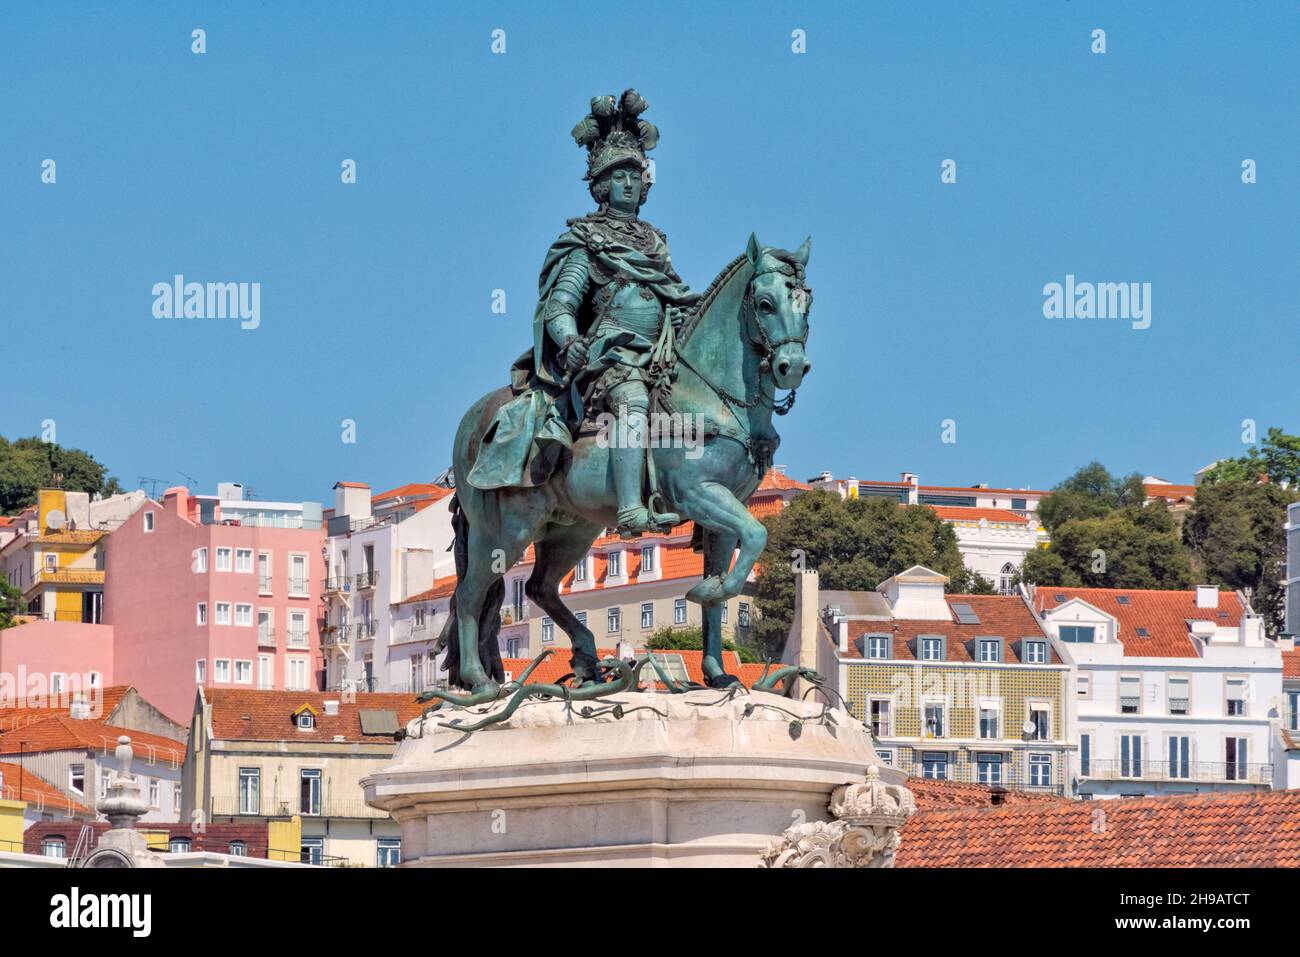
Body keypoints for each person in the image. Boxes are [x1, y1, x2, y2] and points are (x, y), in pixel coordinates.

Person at [467, 90, 699, 535]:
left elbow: (675, 295)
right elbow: (560, 305)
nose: (630, 183)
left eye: (636, 174)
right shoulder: (587, 241)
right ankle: (631, 509)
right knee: (632, 398)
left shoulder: (655, 243)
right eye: (619, 176)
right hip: (607, 357)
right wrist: (571, 340)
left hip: (659, 353)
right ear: (600, 186)